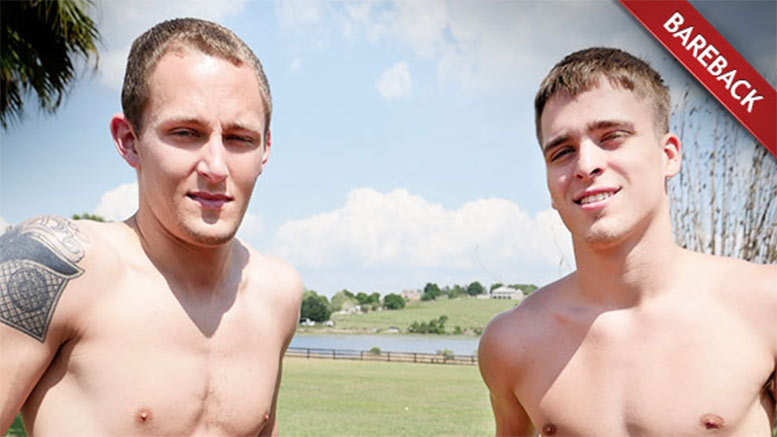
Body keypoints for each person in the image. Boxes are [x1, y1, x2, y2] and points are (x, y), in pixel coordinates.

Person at [0, 18, 302, 435]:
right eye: (186, 132)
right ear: (129, 140)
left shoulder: (278, 294)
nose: (216, 167)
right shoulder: (59, 266)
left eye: (239, 138)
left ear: (265, 148)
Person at [478, 47, 776, 436]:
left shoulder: (764, 306)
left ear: (668, 155)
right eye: (562, 152)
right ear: (549, 185)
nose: (586, 165)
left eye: (612, 137)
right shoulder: (512, 342)